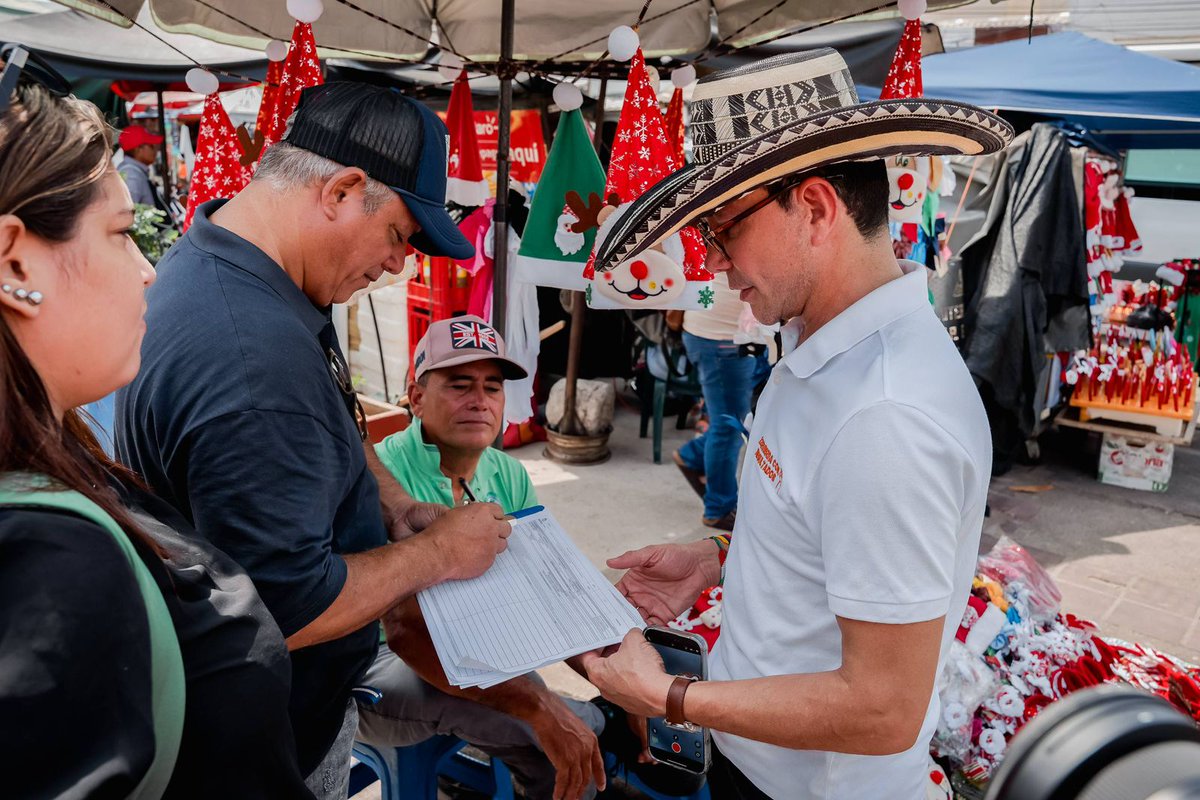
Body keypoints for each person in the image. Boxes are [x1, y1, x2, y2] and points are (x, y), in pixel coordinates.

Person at [581, 49, 1014, 799]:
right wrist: (724, 555)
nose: (714, 263)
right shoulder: (818, 346)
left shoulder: (886, 415)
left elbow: (882, 709)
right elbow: (826, 531)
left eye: (723, 230)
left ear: (814, 208)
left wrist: (667, 698)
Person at [115, 82, 512, 799]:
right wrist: (438, 553)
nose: (400, 265)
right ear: (342, 191)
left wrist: (390, 504)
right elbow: (287, 608)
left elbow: (328, 407)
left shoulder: (243, 263)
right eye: (399, 235)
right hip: (261, 742)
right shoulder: (253, 360)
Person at [0, 56, 315, 797]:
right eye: (119, 233)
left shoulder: (59, 470)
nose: (148, 270)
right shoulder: (50, 562)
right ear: (15, 263)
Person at [358, 315, 607, 800]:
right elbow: (406, 632)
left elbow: (545, 588)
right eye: (459, 385)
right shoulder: (380, 479)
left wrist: (608, 672)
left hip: (477, 643)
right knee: (551, 736)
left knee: (589, 717)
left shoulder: (507, 473)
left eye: (492, 388)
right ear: (416, 397)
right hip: (379, 659)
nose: (480, 401)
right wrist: (538, 707)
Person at [673, 273, 771, 531]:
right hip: (721, 339)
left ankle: (691, 456)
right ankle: (719, 508)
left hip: (716, 334)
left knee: (730, 421)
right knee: (729, 426)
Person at [117, 123, 164, 209]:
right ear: (138, 149)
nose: (155, 149)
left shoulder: (134, 172)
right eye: (151, 146)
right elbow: (128, 212)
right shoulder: (132, 175)